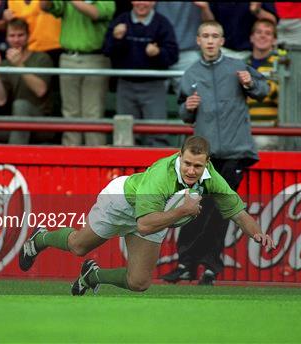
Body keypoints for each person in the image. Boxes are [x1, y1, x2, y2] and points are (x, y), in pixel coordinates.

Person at [17, 135, 275, 295]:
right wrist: (183, 210)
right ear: (179, 157)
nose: (192, 170)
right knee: (77, 246)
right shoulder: (161, 177)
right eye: (187, 163)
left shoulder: (211, 178)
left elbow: (238, 212)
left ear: (206, 163)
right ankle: (40, 239)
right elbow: (144, 224)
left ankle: (91, 276)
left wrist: (258, 234)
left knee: (139, 283)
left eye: (198, 165)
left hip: (157, 215)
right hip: (122, 204)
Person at [161, 21, 269, 285]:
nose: (210, 41)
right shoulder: (190, 74)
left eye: (215, 36)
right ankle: (190, 266)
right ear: (198, 40)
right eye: (206, 36)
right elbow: (185, 115)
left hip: (235, 153)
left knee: (217, 210)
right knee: (193, 209)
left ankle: (206, 267)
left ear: (222, 40)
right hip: (203, 159)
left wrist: (250, 83)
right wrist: (188, 107)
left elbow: (264, 90)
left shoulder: (238, 66)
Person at [103, 1, 178, 147]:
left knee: (157, 135)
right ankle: (126, 169)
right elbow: (106, 51)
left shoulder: (162, 23)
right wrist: (116, 39)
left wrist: (158, 53)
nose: (142, 3)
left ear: (154, 2)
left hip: (153, 86)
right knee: (124, 136)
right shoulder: (120, 21)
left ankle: (158, 169)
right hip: (125, 85)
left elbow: (173, 56)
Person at [40, 0, 115, 146]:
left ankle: (96, 158)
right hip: (68, 58)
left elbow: (95, 13)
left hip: (95, 58)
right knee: (70, 113)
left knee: (92, 113)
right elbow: (45, 6)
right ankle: (71, 157)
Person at [0, 19, 53, 145]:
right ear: (6, 38)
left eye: (20, 35)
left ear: (28, 36)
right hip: (17, 124)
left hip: (42, 123)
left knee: (21, 105)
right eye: (12, 36)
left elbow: (40, 90)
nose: (16, 40)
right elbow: (0, 100)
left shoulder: (42, 58)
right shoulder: (5, 64)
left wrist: (19, 65)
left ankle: (13, 159)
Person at [201, 2, 277, 60]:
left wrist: (257, 11)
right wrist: (204, 8)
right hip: (222, 50)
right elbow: (210, 23)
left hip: (250, 52)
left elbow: (272, 21)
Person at [246, 19, 279, 151]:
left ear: (274, 40)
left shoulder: (280, 64)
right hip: (244, 127)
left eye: (268, 33)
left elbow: (284, 96)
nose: (262, 36)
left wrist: (254, 86)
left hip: (269, 128)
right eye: (258, 32)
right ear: (251, 38)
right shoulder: (242, 63)